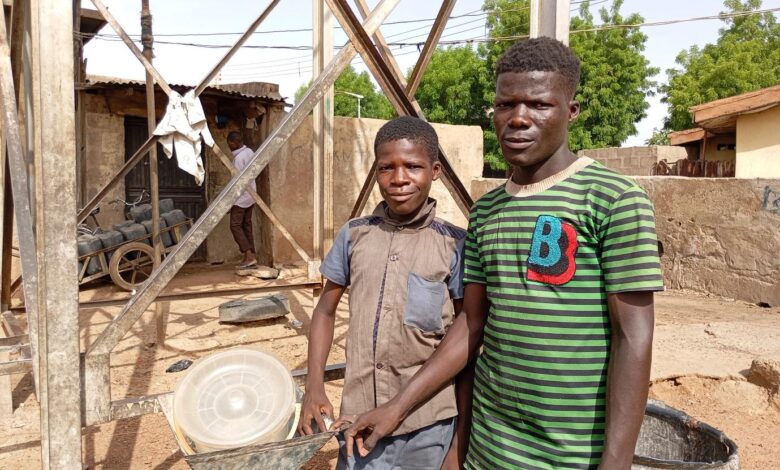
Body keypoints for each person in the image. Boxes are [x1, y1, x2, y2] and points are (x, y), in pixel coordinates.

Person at [342, 37, 665, 470]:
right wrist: (399, 409)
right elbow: (471, 324)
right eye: (505, 105)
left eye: (538, 105)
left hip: (571, 456)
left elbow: (634, 338)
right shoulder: (488, 211)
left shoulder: (613, 199)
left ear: (571, 111)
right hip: (490, 452)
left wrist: (615, 463)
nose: (518, 119)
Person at [297, 116, 468, 470]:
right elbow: (325, 311)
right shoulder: (354, 235)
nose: (399, 179)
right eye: (386, 168)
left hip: (428, 423)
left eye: (413, 167)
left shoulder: (454, 244)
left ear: (434, 171)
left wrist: (457, 444)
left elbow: (465, 340)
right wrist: (314, 386)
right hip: (358, 421)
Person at [227, 131, 258, 268]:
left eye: (230, 144)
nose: (229, 146)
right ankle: (252, 255)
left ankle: (249, 255)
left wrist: (231, 201)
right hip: (251, 194)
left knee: (235, 226)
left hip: (242, 196)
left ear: (235, 142)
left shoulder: (239, 158)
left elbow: (238, 182)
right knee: (246, 225)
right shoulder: (249, 152)